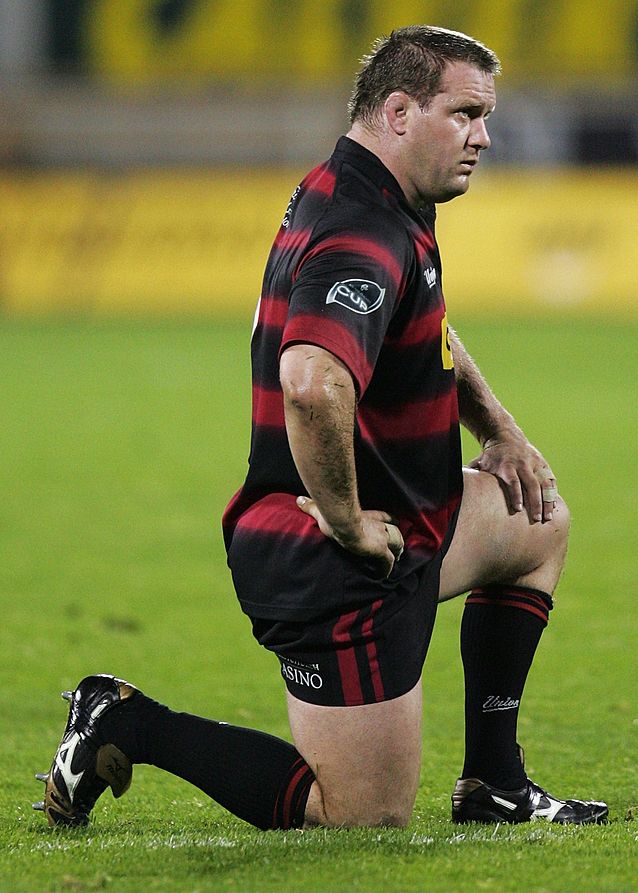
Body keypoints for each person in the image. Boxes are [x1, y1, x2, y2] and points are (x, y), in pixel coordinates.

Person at [34, 25, 607, 831]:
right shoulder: (362, 227)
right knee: (363, 816)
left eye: (486, 116)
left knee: (537, 519)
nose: (484, 136)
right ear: (399, 112)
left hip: (409, 529)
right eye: (466, 114)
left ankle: (495, 784)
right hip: (334, 562)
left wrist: (500, 430)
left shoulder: (376, 194)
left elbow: (422, 323)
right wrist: (345, 520)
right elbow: (310, 383)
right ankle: (126, 722)